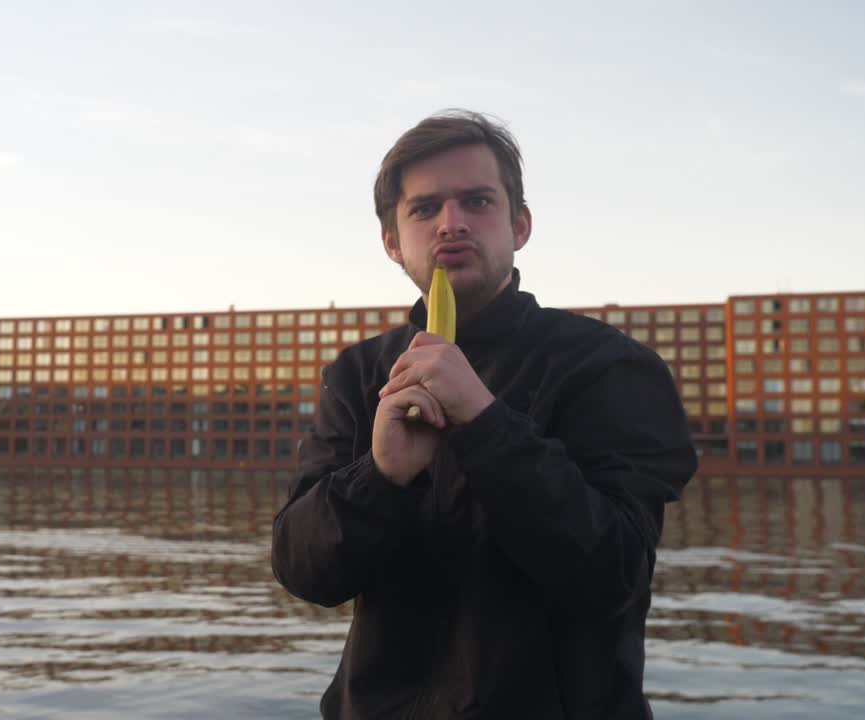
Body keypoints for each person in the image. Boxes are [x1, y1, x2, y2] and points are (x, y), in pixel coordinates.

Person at [270, 110, 697, 719]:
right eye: (424, 208)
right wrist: (381, 476)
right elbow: (304, 571)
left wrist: (484, 422)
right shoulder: (358, 374)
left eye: (477, 201)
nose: (452, 223)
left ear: (519, 225)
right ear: (392, 242)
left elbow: (613, 576)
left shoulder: (610, 367)